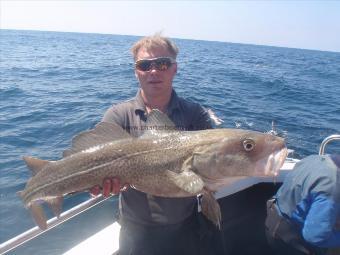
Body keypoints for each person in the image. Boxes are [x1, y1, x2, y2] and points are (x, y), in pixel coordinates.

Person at [92, 33, 212, 255]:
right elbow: (96, 167)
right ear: (136, 71)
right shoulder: (118, 116)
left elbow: (212, 164)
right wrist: (102, 186)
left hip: (186, 225)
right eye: (145, 65)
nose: (154, 71)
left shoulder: (195, 115)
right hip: (135, 230)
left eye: (163, 64)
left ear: (175, 68)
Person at [265, 154, 340, 255]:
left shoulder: (316, 159)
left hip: (274, 215)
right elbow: (315, 237)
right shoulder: (332, 187)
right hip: (290, 237)